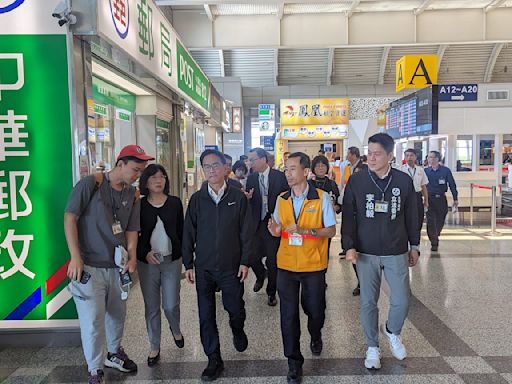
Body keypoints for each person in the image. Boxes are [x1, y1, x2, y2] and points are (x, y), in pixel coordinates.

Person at [64, 145, 154, 384]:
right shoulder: (90, 185)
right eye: (135, 169)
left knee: (117, 314)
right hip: (89, 267)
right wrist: (75, 257)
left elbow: (132, 228)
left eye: (141, 171)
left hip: (117, 266)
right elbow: (70, 217)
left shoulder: (132, 194)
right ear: (120, 163)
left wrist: (133, 256)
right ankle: (95, 369)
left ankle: (114, 353)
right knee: (93, 320)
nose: (138, 175)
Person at [342, 133, 420, 371]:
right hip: (365, 251)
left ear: (389, 156)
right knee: (368, 302)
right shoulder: (357, 181)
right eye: (370, 154)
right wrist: (349, 246)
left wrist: (414, 246)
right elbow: (348, 215)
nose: (372, 158)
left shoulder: (403, 181)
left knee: (402, 299)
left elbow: (413, 215)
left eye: (377, 154)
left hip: (396, 250)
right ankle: (372, 346)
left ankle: (392, 331)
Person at [182, 149, 252, 382]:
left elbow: (246, 232)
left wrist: (245, 261)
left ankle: (237, 328)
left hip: (231, 266)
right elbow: (188, 232)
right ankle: (213, 359)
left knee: (235, 308)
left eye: (215, 166)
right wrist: (187, 263)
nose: (211, 170)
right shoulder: (197, 199)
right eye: (206, 167)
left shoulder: (238, 197)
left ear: (225, 168)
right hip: (204, 267)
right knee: (206, 315)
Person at [268, 152, 336, 384]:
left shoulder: (321, 198)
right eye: (286, 169)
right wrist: (274, 230)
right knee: (288, 315)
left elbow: (331, 230)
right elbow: (276, 227)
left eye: (292, 169)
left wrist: (307, 231)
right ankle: (293, 362)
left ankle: (315, 333)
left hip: (313, 264)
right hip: (286, 264)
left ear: (305, 171)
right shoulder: (282, 199)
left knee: (315, 309)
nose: (288, 173)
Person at [137, 164, 184, 367]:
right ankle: (154, 346)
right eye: (153, 177)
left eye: (162, 176)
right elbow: (133, 235)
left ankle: (175, 328)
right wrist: (143, 254)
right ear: (145, 181)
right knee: (152, 307)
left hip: (171, 261)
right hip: (147, 263)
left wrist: (186, 257)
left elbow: (182, 232)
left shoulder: (174, 203)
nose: (159, 180)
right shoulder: (138, 205)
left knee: (171, 304)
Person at [244, 147, 289, 306]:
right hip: (256, 224)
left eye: (253, 159)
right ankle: (260, 274)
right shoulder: (251, 178)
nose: (250, 163)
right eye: (249, 160)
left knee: (272, 260)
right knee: (252, 256)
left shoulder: (279, 177)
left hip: (273, 223)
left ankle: (271, 292)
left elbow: (287, 198)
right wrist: (247, 199)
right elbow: (248, 201)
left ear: (263, 159)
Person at [340, 146, 367, 296]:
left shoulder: (362, 168)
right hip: (350, 209)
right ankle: (361, 281)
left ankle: (363, 283)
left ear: (353, 154)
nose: (346, 155)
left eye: (348, 153)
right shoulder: (348, 168)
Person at [425, 151, 459, 252]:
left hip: (441, 199)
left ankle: (436, 234)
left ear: (437, 159)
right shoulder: (425, 171)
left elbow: (452, 184)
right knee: (430, 221)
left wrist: (455, 198)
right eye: (428, 157)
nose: (429, 159)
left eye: (431, 157)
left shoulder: (445, 171)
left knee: (440, 220)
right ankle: (434, 242)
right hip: (429, 199)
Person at [311, 155, 341, 256]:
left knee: (325, 249)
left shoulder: (332, 184)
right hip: (311, 221)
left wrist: (334, 208)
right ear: (313, 168)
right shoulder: (308, 184)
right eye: (317, 166)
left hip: (328, 223)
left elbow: (339, 203)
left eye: (323, 166)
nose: (320, 168)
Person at [401, 149, 429, 232]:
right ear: (405, 157)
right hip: (405, 196)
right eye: (407, 155)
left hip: (417, 196)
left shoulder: (420, 170)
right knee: (406, 217)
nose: (409, 157)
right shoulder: (401, 170)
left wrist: (426, 201)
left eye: (411, 155)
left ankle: (416, 237)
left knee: (418, 217)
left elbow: (423, 186)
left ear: (415, 157)